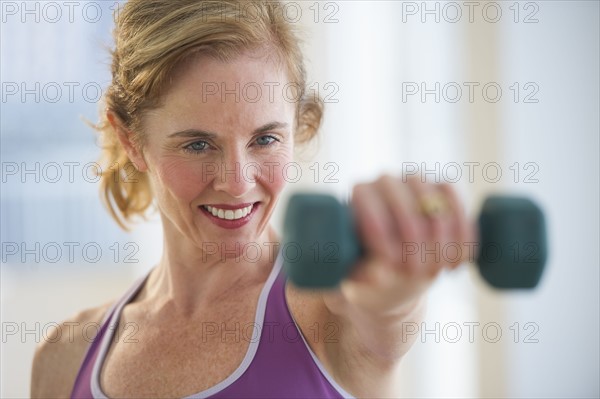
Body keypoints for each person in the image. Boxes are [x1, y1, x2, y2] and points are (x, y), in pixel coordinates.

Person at [30, 1, 474, 398]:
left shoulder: (327, 311)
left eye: (264, 139)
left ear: (298, 128)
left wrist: (396, 273)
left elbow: (385, 305)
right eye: (198, 145)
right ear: (131, 140)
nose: (238, 183)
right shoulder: (65, 358)